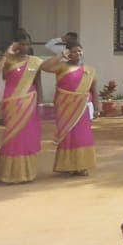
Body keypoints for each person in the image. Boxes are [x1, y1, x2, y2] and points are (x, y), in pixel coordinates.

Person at [0, 30, 43, 184]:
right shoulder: (9, 60)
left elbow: (38, 84)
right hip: (13, 104)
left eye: (27, 44)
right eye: (21, 44)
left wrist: (40, 104)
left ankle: (27, 172)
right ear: (15, 45)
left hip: (29, 103)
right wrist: (6, 54)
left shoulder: (35, 62)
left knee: (27, 137)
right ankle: (9, 174)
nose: (25, 47)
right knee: (12, 138)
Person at [41, 42, 98, 176]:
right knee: (67, 136)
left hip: (82, 108)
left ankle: (82, 166)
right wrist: (60, 55)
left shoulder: (89, 70)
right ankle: (67, 166)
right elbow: (45, 67)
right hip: (65, 108)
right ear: (68, 53)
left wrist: (96, 108)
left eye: (79, 51)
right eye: (73, 51)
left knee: (82, 136)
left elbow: (94, 91)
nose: (77, 54)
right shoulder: (62, 66)